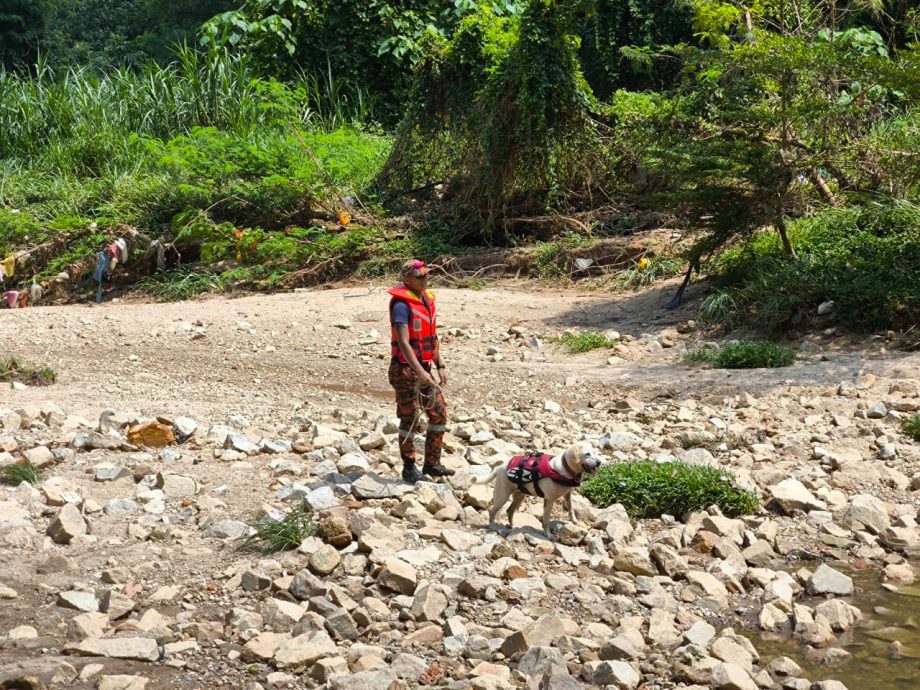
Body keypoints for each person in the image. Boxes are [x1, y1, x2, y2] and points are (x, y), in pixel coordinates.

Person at [388, 259, 455, 483]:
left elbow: (431, 337)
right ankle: (409, 467)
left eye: (426, 275)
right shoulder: (401, 305)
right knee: (410, 418)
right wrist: (420, 371)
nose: (425, 279)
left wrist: (440, 365)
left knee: (439, 412)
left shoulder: (426, 300)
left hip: (424, 369)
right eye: (420, 277)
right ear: (407, 280)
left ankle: (432, 464)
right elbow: (404, 342)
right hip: (405, 371)